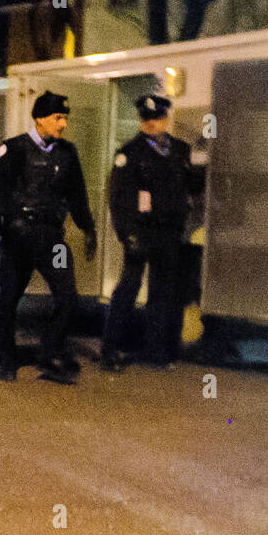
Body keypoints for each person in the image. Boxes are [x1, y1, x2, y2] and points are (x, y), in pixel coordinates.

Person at [0, 90, 97, 384]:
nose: (62, 124)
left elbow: (77, 195)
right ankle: (5, 359)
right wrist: (11, 221)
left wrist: (88, 227)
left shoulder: (67, 152)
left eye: (64, 118)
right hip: (19, 239)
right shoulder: (13, 149)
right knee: (9, 298)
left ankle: (50, 352)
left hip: (52, 239)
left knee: (67, 295)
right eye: (57, 118)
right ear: (40, 119)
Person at [102, 93, 196, 370]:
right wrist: (127, 234)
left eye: (156, 118)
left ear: (166, 119)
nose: (151, 124)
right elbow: (118, 198)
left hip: (169, 231)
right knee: (128, 289)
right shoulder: (129, 153)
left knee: (163, 293)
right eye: (146, 119)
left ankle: (156, 350)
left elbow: (188, 185)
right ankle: (111, 350)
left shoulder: (180, 150)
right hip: (140, 232)